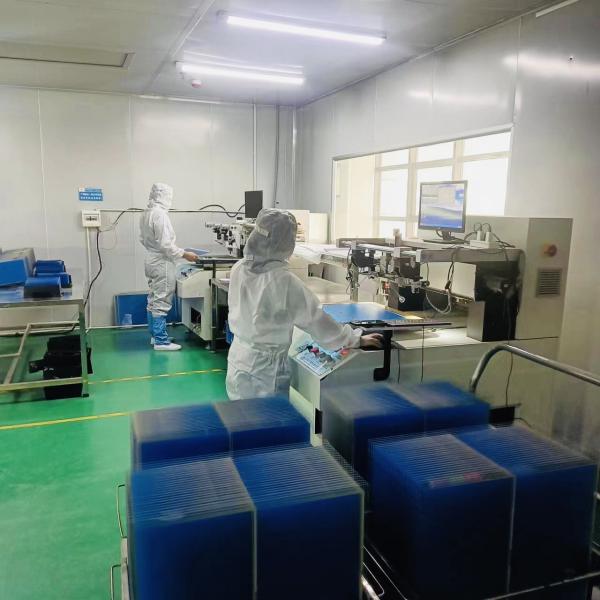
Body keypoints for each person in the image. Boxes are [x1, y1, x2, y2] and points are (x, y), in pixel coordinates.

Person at [226, 208, 383, 400]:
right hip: (265, 371)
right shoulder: (283, 281)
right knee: (268, 418)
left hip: (238, 360)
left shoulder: (239, 268)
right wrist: (353, 339)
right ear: (285, 242)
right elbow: (316, 320)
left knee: (242, 413)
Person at [140, 183, 197, 351]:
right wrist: (185, 254)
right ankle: (161, 341)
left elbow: (142, 239)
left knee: (153, 298)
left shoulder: (146, 213)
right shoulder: (160, 215)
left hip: (151, 259)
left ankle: (155, 335)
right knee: (161, 300)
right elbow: (166, 245)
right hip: (162, 262)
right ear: (164, 196)